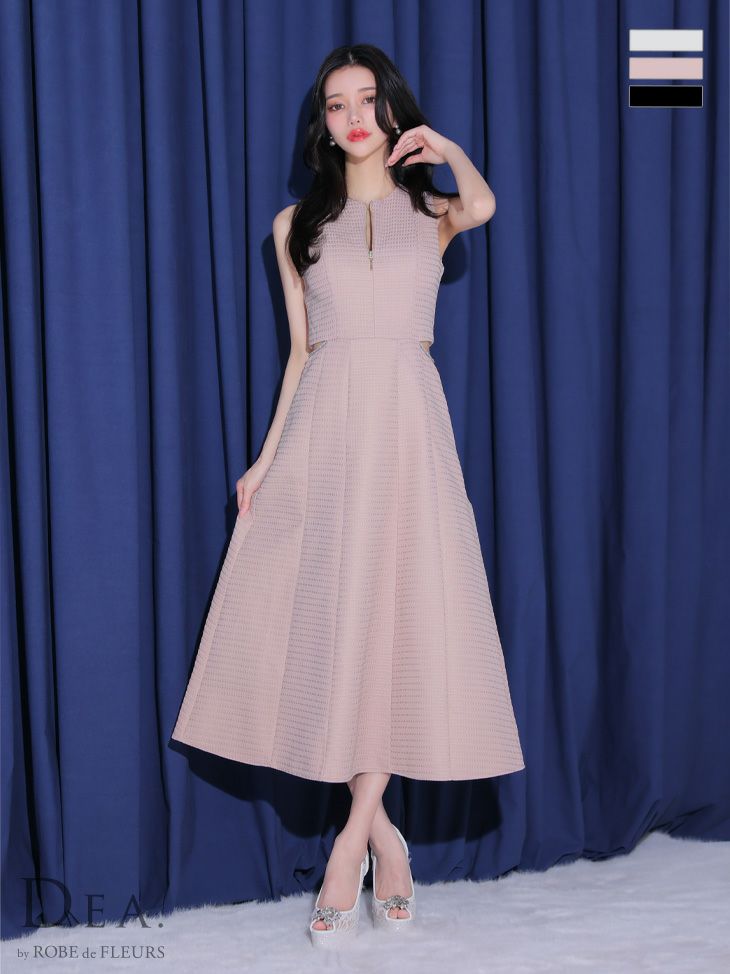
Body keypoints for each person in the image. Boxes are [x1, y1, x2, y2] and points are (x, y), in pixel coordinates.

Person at [170, 43, 525, 946]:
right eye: (337, 104)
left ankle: (354, 843)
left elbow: (484, 205)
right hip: (328, 433)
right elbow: (301, 355)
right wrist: (266, 459)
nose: (356, 116)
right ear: (322, 124)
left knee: (398, 626)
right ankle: (385, 839)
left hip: (409, 431)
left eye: (370, 100)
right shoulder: (294, 225)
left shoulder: (431, 211)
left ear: (394, 110)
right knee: (345, 631)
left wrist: (445, 148)